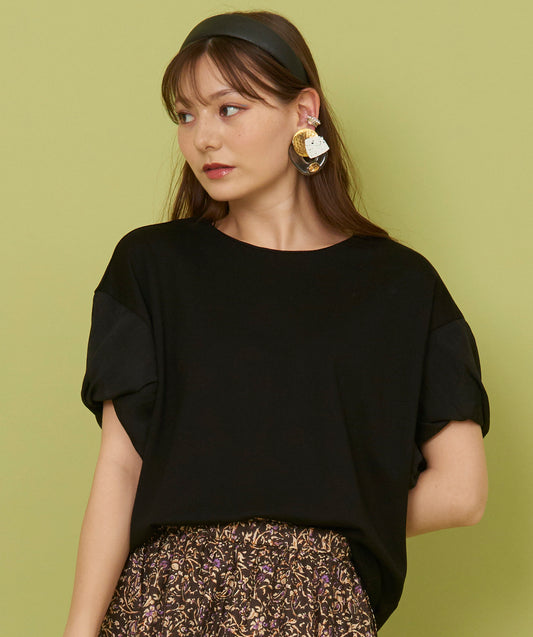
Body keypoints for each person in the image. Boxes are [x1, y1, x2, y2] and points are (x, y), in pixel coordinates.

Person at [63, 10, 490, 637]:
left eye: (229, 108)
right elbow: (120, 472)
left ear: (303, 111)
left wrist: (313, 529)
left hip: (319, 606)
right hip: (165, 602)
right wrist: (79, 630)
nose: (203, 138)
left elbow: (462, 492)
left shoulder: (401, 287)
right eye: (185, 115)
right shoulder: (152, 266)